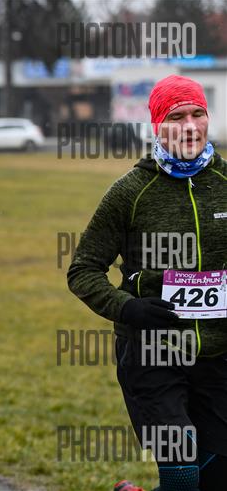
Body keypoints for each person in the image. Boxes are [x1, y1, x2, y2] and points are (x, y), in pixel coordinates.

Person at [68, 75, 227, 491]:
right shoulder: (130, 192)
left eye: (197, 114)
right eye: (176, 117)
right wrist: (128, 308)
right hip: (152, 354)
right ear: (157, 125)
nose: (189, 126)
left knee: (214, 480)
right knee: (182, 470)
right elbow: (83, 269)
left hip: (218, 354)